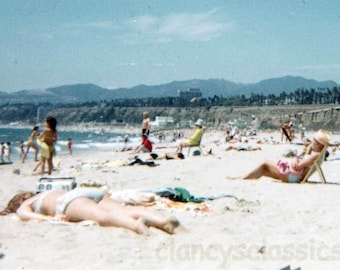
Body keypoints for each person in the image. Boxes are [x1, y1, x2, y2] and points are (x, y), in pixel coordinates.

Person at [0, 187, 180, 235]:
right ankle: (163, 221)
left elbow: (27, 216)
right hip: (83, 192)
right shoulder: (45, 192)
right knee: (126, 209)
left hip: (69, 201)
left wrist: (52, 219)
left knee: (103, 217)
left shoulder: (27, 203)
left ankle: (137, 227)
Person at [226, 129, 330, 183]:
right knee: (264, 171)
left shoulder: (315, 155)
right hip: (295, 175)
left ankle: (240, 178)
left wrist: (296, 160)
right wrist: (304, 153)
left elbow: (297, 166)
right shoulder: (315, 155)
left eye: (314, 141)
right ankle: (241, 178)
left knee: (265, 163)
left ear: (318, 144)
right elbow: (301, 161)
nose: (312, 142)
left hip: (293, 177)